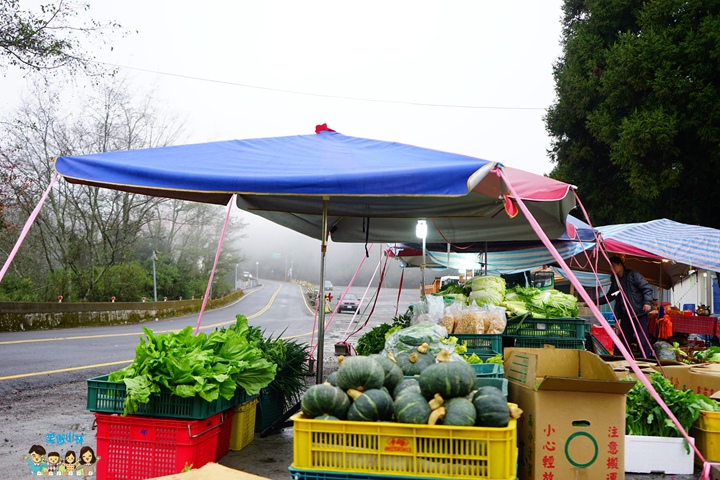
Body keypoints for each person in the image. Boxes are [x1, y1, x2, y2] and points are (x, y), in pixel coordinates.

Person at [598, 256, 654, 357]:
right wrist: (594, 302)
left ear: (620, 265)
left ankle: (647, 359)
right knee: (625, 339)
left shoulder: (634, 275)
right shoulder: (616, 281)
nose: (612, 269)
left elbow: (646, 289)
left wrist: (647, 303)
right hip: (625, 315)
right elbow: (610, 296)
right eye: (610, 267)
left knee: (642, 338)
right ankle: (626, 359)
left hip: (638, 313)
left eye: (614, 266)